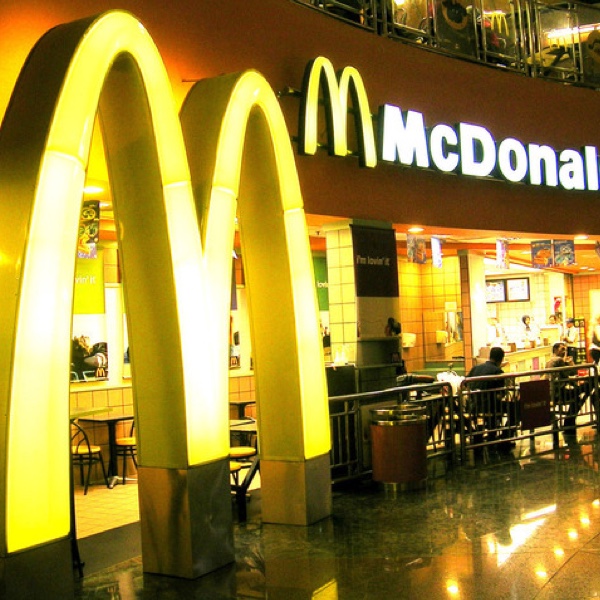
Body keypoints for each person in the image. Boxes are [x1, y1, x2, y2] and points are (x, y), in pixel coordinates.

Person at [467, 346, 515, 451]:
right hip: (490, 406)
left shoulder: (476, 368)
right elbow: (501, 394)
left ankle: (489, 434)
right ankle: (505, 437)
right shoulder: (497, 372)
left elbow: (465, 384)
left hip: (474, 406)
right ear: (501, 359)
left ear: (490, 356)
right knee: (514, 408)